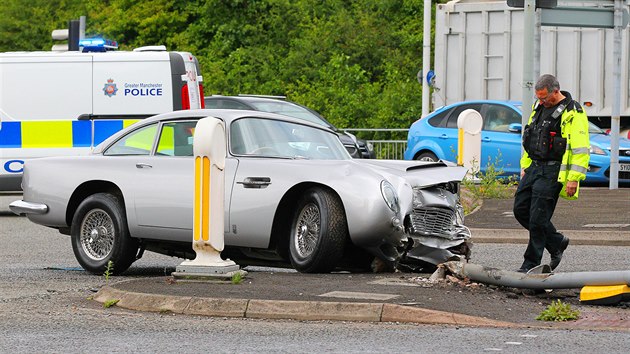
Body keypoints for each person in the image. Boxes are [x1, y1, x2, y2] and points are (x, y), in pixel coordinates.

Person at [513, 74, 590, 273]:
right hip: (534, 168)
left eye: (544, 98)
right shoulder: (538, 107)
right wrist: (525, 167)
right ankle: (556, 242)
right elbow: (531, 137)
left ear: (556, 91)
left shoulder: (573, 112)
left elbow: (581, 149)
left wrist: (573, 179)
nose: (541, 101)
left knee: (538, 219)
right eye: (538, 98)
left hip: (553, 171)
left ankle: (530, 265)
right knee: (520, 210)